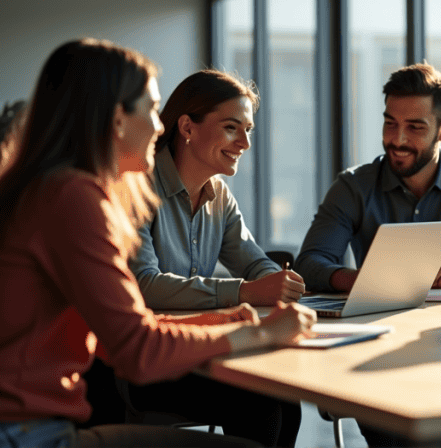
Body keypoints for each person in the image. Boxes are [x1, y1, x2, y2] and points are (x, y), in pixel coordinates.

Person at [0, 38, 317, 448]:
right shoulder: (74, 197)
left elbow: (118, 330)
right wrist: (261, 334)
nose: (159, 126)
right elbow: (137, 349)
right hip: (22, 434)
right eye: (153, 109)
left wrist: (228, 320)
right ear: (117, 119)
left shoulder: (45, 187)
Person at [295, 62, 441, 447]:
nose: (397, 139)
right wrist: (362, 280)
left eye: (415, 127)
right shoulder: (353, 186)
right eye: (390, 123)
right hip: (373, 352)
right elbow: (310, 263)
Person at [123, 70, 305, 446]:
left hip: (201, 354)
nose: (245, 142)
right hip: (147, 367)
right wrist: (244, 292)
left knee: (286, 399)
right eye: (231, 128)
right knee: (262, 401)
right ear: (187, 127)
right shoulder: (137, 190)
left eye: (248, 130)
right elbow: (145, 286)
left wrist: (277, 283)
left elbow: (256, 263)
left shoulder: (218, 196)